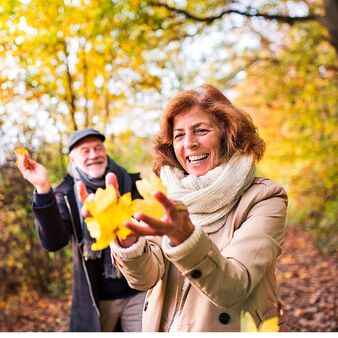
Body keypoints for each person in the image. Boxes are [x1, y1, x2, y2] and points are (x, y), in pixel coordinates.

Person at [81, 84, 288, 331]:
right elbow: (145, 278)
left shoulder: (265, 197)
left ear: (228, 134)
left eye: (200, 130)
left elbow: (234, 287)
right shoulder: (167, 196)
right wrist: (127, 240)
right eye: (179, 135)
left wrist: (186, 239)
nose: (189, 143)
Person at [17, 128, 145, 332]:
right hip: (96, 299)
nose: (93, 155)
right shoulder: (65, 194)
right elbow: (53, 242)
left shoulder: (131, 182)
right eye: (84, 151)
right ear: (73, 159)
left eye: (97, 148)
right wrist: (43, 188)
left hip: (139, 291)